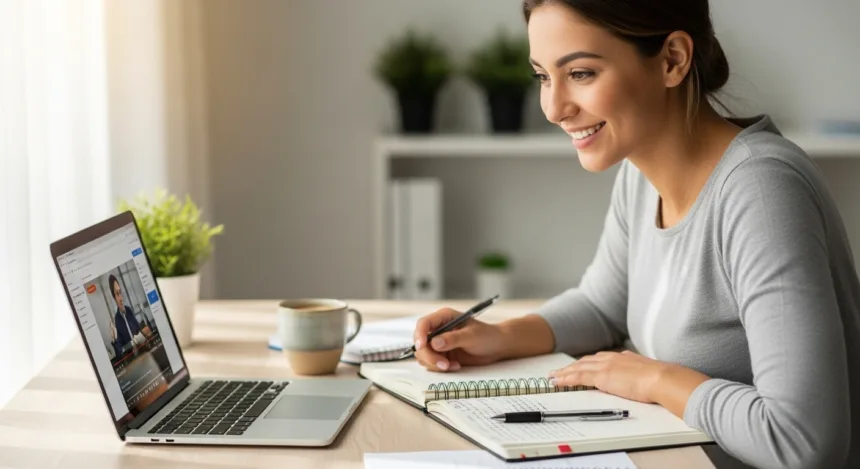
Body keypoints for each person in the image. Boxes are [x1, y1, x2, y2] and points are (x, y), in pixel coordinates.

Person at [412, 1, 860, 468]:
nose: (553, 108)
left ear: (672, 60)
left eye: (581, 73)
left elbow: (804, 441)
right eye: (543, 76)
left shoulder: (761, 192)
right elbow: (603, 304)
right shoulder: (640, 171)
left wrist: (655, 380)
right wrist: (500, 336)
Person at [109, 274, 145, 357]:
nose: (121, 298)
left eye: (120, 292)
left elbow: (139, 330)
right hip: (133, 359)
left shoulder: (128, 310)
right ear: (114, 298)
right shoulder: (117, 321)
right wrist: (114, 339)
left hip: (142, 351)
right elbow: (119, 352)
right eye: (117, 294)